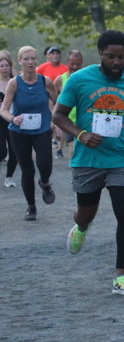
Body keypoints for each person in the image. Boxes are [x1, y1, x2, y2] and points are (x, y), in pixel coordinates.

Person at [53, 30, 124, 296]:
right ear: (100, 53)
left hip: (121, 158)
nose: (117, 62)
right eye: (111, 56)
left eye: (121, 57)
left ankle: (121, 276)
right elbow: (58, 115)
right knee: (85, 212)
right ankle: (81, 226)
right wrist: (81, 135)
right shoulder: (79, 79)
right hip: (88, 159)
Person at [0, 46, 58, 220]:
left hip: (42, 130)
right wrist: (12, 118)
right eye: (26, 59)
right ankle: (31, 206)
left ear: (37, 60)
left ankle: (45, 183)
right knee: (27, 170)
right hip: (19, 132)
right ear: (20, 61)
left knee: (45, 164)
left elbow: (58, 104)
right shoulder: (14, 83)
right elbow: (3, 110)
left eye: (33, 58)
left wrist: (56, 122)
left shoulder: (45, 81)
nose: (30, 62)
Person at [53, 50, 85, 159]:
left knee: (84, 153)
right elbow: (53, 101)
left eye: (78, 64)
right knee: (73, 152)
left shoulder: (86, 80)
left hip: (84, 120)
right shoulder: (60, 80)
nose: (75, 67)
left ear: (81, 63)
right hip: (68, 122)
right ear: (67, 62)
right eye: (72, 64)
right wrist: (56, 121)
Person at [0, 50, 18, 188]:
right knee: (2, 151)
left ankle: (9, 177)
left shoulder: (15, 81)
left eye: (7, 65)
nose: (4, 68)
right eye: (1, 66)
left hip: (13, 118)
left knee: (14, 150)